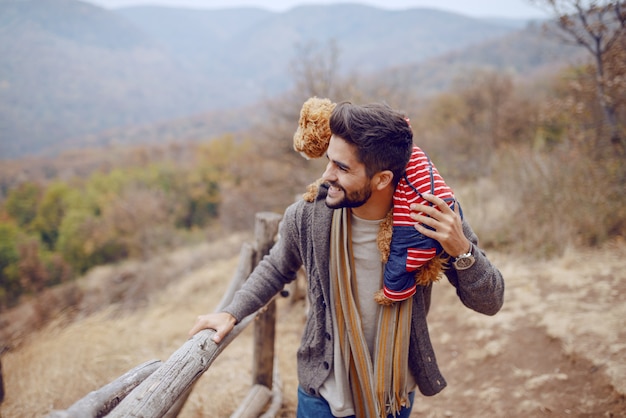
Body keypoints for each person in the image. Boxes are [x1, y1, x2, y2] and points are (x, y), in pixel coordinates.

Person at [189, 101, 505, 418]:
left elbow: (490, 301)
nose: (327, 176)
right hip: (322, 394)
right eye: (329, 161)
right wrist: (231, 312)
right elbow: (276, 267)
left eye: (342, 168)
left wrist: (462, 249)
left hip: (394, 396)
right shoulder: (308, 215)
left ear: (382, 179)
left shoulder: (431, 220)